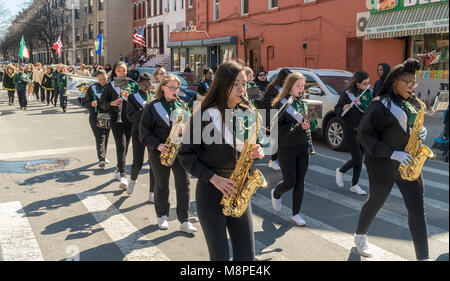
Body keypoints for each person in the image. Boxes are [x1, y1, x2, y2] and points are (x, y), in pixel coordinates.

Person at [179, 61, 265, 260]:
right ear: (222, 85)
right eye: (236, 84)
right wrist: (213, 178)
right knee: (220, 257)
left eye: (244, 84)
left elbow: (253, 143)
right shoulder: (204, 115)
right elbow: (185, 156)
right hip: (211, 193)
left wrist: (256, 150)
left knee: (247, 257)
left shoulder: (247, 112)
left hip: (239, 189)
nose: (242, 89)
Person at [354, 58, 430, 261]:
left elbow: (413, 125)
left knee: (417, 210)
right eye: (408, 82)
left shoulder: (413, 102)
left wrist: (421, 131)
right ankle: (360, 235)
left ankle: (423, 257)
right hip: (382, 162)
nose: (412, 87)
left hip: (409, 162)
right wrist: (391, 153)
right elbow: (364, 134)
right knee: (376, 202)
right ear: (395, 80)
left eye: (414, 83)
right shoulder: (379, 105)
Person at [140, 74, 196, 233]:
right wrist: (157, 145)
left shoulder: (182, 105)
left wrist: (186, 130)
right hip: (160, 151)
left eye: (177, 88)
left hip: (180, 151)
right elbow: (143, 133)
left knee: (184, 185)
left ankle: (184, 220)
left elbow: (190, 129)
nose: (175, 90)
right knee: (162, 184)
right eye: (172, 87)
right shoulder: (152, 107)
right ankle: (162, 215)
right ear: (163, 87)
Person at [270, 72, 317, 226]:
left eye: (303, 86)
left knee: (300, 181)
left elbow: (315, 125)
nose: (301, 88)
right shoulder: (281, 103)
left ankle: (296, 214)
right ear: (289, 86)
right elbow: (276, 128)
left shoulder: (305, 101)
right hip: (286, 147)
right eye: (298, 85)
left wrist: (311, 122)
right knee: (290, 181)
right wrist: (297, 126)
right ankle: (276, 193)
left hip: (303, 146)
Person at [100, 61, 140, 190]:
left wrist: (131, 99)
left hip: (130, 120)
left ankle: (118, 169)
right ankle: (123, 175)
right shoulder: (110, 86)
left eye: (124, 70)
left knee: (126, 146)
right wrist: (112, 103)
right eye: (119, 71)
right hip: (116, 119)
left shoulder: (133, 85)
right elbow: (102, 103)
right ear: (114, 72)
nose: (122, 73)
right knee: (121, 145)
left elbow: (140, 101)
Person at [334, 70, 373, 195]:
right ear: (356, 83)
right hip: (350, 129)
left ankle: (354, 185)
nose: (366, 86)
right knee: (357, 158)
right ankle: (341, 171)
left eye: (368, 83)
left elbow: (372, 109)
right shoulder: (347, 94)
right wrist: (344, 108)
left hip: (364, 129)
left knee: (359, 159)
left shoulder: (368, 92)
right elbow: (337, 109)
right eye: (363, 84)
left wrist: (361, 104)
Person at [126, 73, 156, 202]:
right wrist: (144, 107)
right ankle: (132, 180)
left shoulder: (155, 96)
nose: (146, 86)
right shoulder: (133, 97)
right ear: (139, 84)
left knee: (153, 164)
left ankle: (152, 192)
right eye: (143, 84)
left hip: (153, 134)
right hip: (138, 132)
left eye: (148, 84)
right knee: (137, 161)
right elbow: (131, 116)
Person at [262, 68, 292, 170]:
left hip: (283, 117)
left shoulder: (286, 88)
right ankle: (273, 161)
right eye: (287, 78)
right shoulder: (273, 88)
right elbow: (266, 103)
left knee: (282, 140)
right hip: (273, 117)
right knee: (278, 141)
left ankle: (278, 160)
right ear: (282, 78)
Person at [82, 70, 111, 168]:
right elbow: (84, 102)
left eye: (104, 79)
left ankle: (104, 155)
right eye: (100, 79)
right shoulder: (92, 88)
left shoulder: (111, 87)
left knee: (106, 136)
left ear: (107, 77)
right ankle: (101, 159)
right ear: (97, 79)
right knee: (100, 137)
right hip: (95, 116)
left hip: (108, 116)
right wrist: (91, 104)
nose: (103, 81)